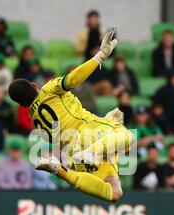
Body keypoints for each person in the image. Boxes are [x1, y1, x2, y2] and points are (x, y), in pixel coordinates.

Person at [8, 28, 134, 202]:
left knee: (114, 192)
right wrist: (100, 56)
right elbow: (73, 78)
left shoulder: (35, 123)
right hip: (87, 133)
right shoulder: (49, 89)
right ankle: (91, 152)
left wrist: (107, 122)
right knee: (127, 136)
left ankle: (60, 170)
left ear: (23, 105)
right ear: (35, 85)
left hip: (72, 154)